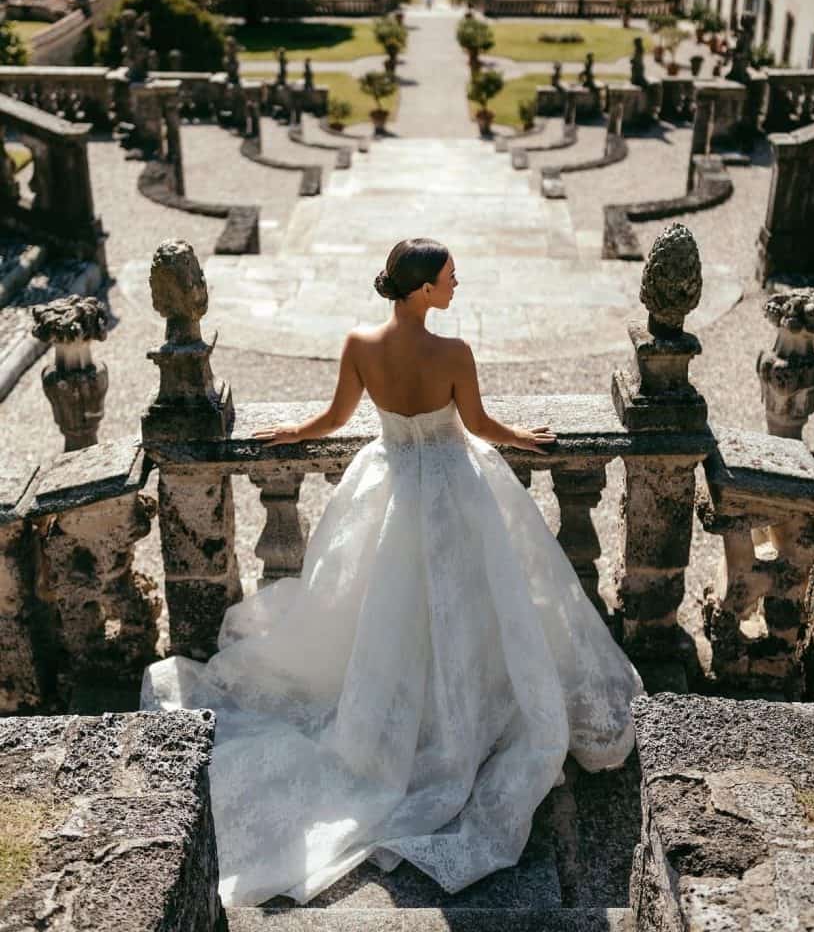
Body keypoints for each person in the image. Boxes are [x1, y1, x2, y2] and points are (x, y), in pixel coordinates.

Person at [141, 237, 644, 908]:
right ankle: (455, 713)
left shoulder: (359, 343)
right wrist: (524, 437)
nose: (456, 286)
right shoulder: (453, 353)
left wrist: (293, 431)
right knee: (469, 605)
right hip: (454, 487)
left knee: (383, 607)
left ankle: (401, 714)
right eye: (449, 278)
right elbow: (480, 424)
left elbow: (336, 418)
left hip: (386, 486)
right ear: (423, 290)